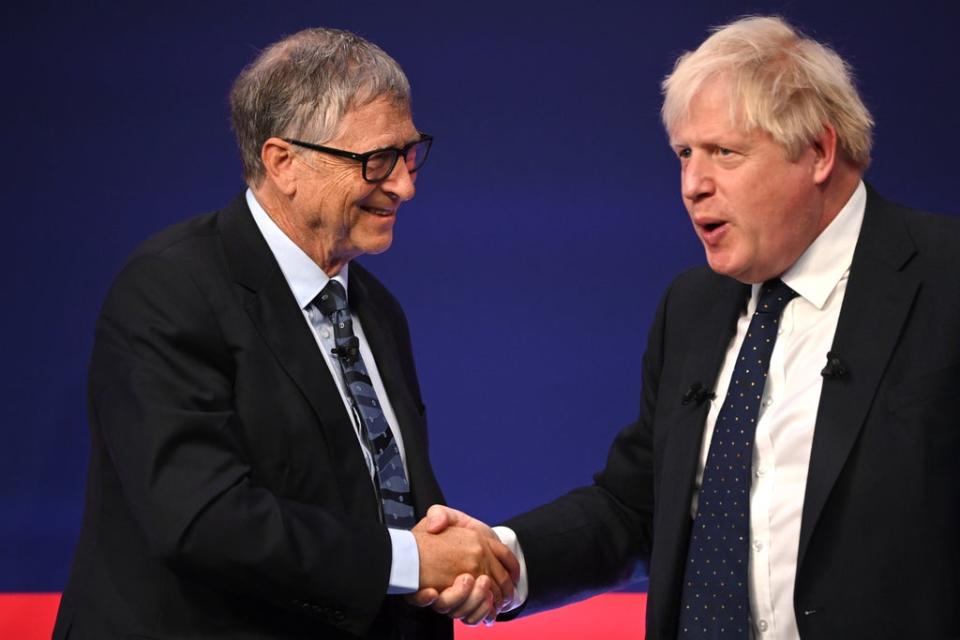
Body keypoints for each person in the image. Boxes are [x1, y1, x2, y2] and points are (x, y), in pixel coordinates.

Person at [414, 15, 960, 639]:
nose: (693, 186)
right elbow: (637, 505)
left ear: (818, 151)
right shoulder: (692, 306)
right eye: (684, 155)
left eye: (725, 153)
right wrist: (504, 555)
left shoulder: (944, 282)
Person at [53, 27, 516, 640]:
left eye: (409, 153)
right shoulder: (170, 289)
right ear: (283, 162)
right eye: (376, 160)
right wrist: (409, 562)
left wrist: (460, 573)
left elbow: (394, 504)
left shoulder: (376, 308)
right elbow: (202, 518)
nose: (405, 184)